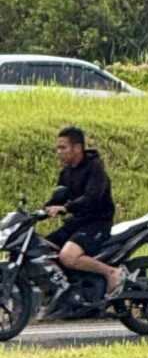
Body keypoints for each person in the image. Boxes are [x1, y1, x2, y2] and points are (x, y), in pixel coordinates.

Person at [41, 124, 124, 299]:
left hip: (97, 223)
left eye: (63, 147)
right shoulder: (66, 172)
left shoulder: (95, 168)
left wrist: (66, 208)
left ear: (77, 148)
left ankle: (111, 273)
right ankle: (66, 292)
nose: (59, 152)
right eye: (57, 148)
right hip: (76, 224)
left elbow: (92, 197)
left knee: (67, 256)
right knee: (41, 249)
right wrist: (39, 211)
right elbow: (58, 197)